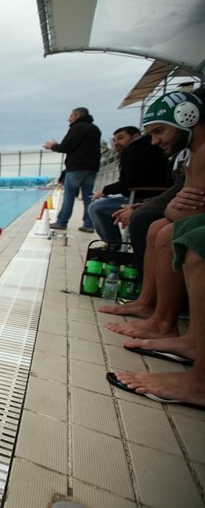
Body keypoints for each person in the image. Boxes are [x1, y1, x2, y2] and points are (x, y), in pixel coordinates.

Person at [107, 90, 205, 408]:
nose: (154, 141)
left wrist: (175, 211)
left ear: (187, 116)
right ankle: (160, 316)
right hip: (169, 212)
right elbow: (182, 204)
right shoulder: (192, 154)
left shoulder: (201, 153)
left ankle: (199, 381)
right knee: (158, 229)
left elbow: (188, 210)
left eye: (159, 131)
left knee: (186, 237)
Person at [87, 126, 170, 245]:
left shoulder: (135, 150)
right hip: (153, 196)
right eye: (114, 140)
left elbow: (129, 182)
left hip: (141, 198)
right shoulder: (151, 149)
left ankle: (114, 245)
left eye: (121, 138)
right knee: (103, 203)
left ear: (135, 136)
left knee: (96, 208)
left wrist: (104, 191)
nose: (116, 143)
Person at [43, 107, 102, 232]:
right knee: (88, 196)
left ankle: (62, 222)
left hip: (76, 167)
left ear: (76, 115)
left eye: (70, 115)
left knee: (69, 195)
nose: (68, 118)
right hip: (92, 168)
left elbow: (66, 146)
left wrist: (52, 145)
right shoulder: (95, 129)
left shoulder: (77, 127)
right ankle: (89, 224)